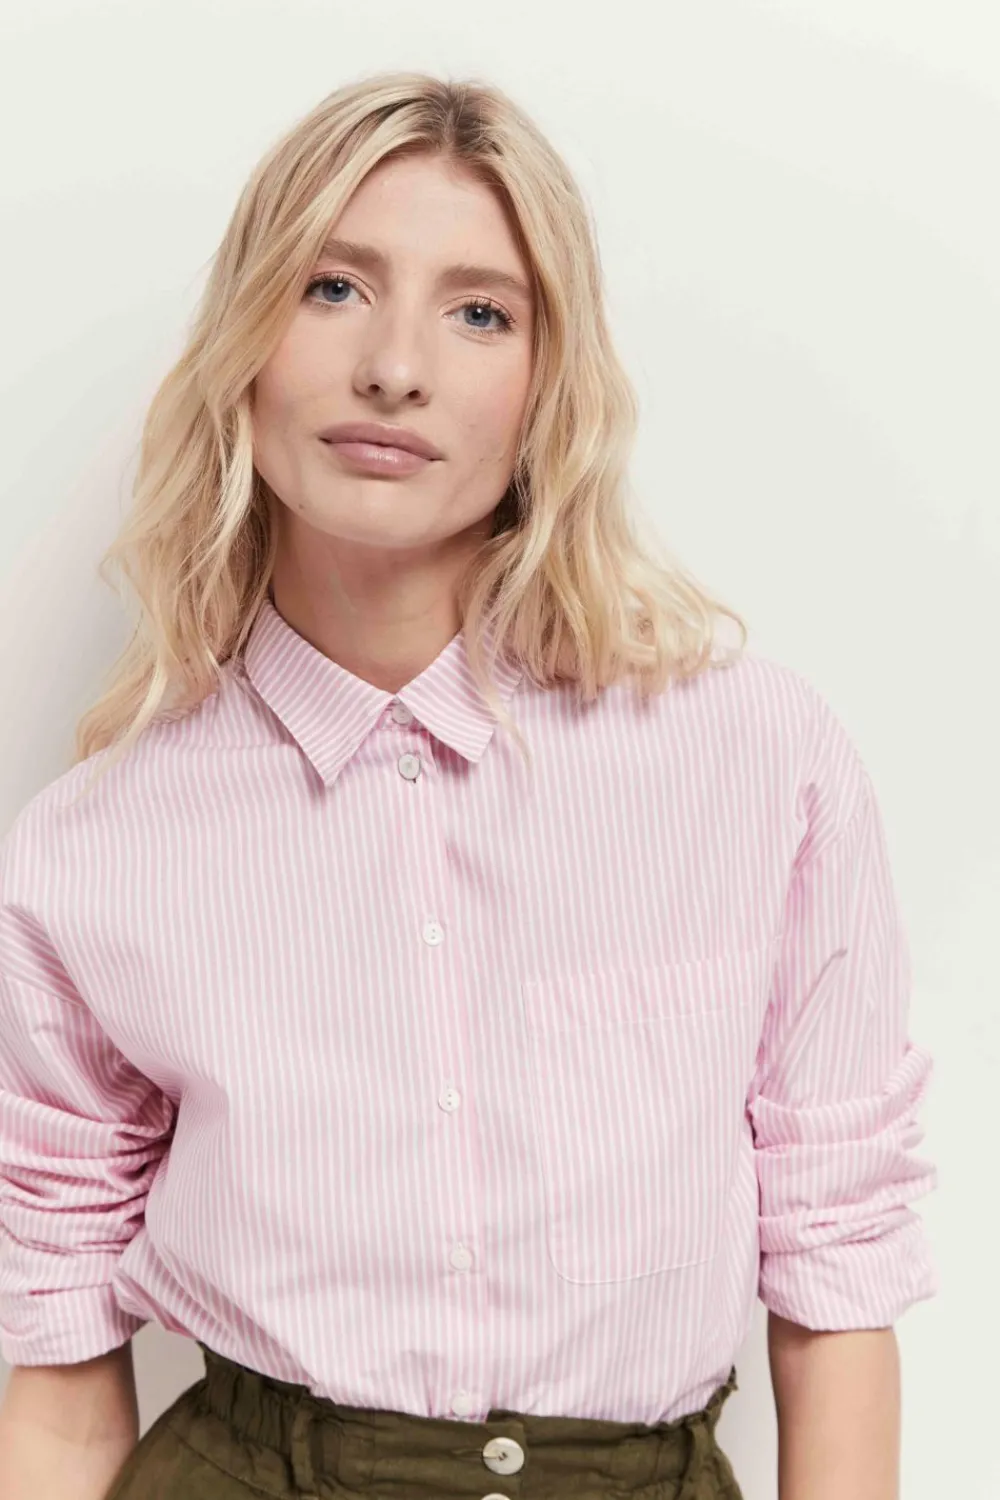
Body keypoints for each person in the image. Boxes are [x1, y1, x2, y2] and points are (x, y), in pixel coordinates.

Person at [0, 70, 938, 1500]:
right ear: (244, 337)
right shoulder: (97, 846)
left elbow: (839, 1263)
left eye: (480, 312)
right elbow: (61, 1364)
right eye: (332, 288)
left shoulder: (755, 759)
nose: (396, 368)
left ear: (550, 382)